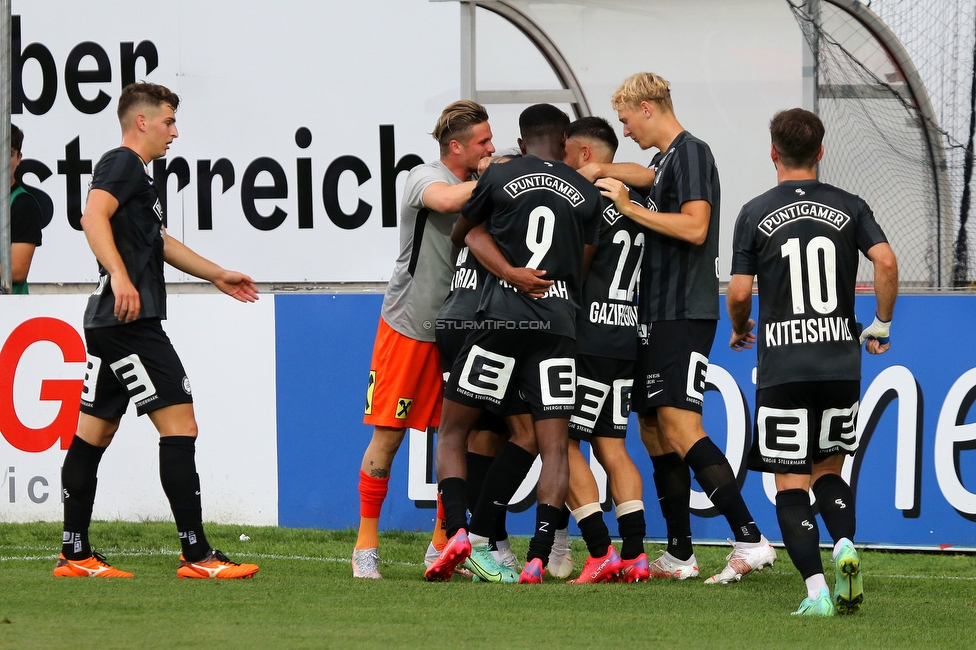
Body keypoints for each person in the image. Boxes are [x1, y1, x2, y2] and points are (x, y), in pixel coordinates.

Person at [55, 82, 260, 579]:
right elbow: (91, 216)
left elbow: (159, 242)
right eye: (168, 122)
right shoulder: (122, 162)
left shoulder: (137, 178)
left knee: (93, 433)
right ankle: (197, 556)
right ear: (141, 121)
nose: (174, 132)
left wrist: (216, 274)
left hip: (109, 323)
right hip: (130, 323)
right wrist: (122, 277)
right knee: (180, 426)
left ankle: (74, 554)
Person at [593, 72, 776, 584]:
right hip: (652, 313)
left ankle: (749, 536)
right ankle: (680, 552)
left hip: (684, 310)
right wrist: (601, 167)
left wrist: (626, 207)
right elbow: (645, 174)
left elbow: (696, 226)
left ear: (647, 109)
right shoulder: (665, 160)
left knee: (680, 426)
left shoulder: (693, 152)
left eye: (627, 119)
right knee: (653, 429)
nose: (625, 130)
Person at [727, 108, 897, 615]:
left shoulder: (755, 211)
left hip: (784, 366)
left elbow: (739, 292)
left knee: (789, 483)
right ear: (821, 152)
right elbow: (885, 260)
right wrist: (881, 324)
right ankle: (844, 544)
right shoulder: (850, 206)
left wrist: (740, 327)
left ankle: (818, 592)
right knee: (829, 470)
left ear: (772, 153)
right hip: (840, 365)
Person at [424, 103, 602, 584]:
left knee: (455, 429)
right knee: (553, 445)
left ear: (521, 143)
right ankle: (540, 557)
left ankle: (459, 534)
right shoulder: (586, 192)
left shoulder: (501, 176)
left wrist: (511, 274)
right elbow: (581, 265)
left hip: (501, 319)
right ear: (566, 143)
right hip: (558, 326)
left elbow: (466, 234)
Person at [353, 100, 495, 578]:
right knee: (389, 436)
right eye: (482, 142)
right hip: (410, 325)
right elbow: (448, 202)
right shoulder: (421, 175)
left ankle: (441, 545)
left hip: (464, 327)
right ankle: (364, 547)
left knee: (459, 436)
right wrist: (502, 179)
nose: (491, 148)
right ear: (456, 148)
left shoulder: (486, 183)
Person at [562, 117, 648, 584]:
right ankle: (635, 553)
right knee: (613, 445)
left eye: (569, 153)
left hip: (586, 335)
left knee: (563, 442)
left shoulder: (588, 201)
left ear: (585, 155)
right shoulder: (636, 200)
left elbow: (573, 267)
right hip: (623, 335)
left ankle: (599, 550)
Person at [5, 124, 43, 294]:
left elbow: (17, 271)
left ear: (19, 158)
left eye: (9, 154)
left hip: (7, 312)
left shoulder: (24, 204)